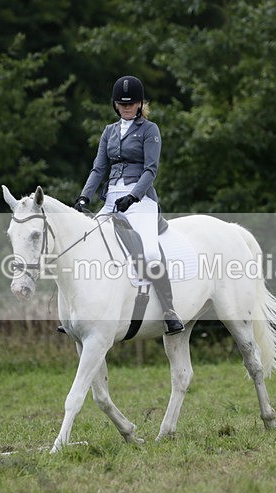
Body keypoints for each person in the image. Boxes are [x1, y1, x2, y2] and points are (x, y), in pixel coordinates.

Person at [74, 75, 184, 335]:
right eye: (121, 104)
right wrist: (84, 197)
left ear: (139, 104)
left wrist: (134, 196)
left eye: (131, 103)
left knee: (151, 252)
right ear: (115, 105)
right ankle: (79, 312)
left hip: (141, 200)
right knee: (86, 244)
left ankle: (169, 311)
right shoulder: (108, 131)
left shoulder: (149, 129)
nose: (126, 108)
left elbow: (151, 169)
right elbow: (99, 168)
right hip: (112, 197)